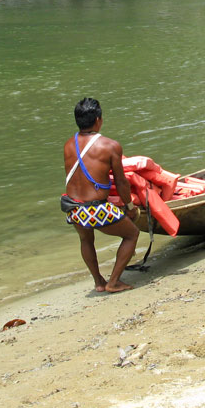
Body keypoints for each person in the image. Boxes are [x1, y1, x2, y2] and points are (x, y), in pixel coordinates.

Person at [62, 97, 140, 292]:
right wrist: (129, 207)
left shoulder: (68, 145)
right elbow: (121, 182)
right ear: (98, 120)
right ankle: (113, 282)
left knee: (86, 240)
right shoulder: (110, 146)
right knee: (132, 234)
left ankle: (98, 282)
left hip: (73, 207)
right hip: (95, 210)